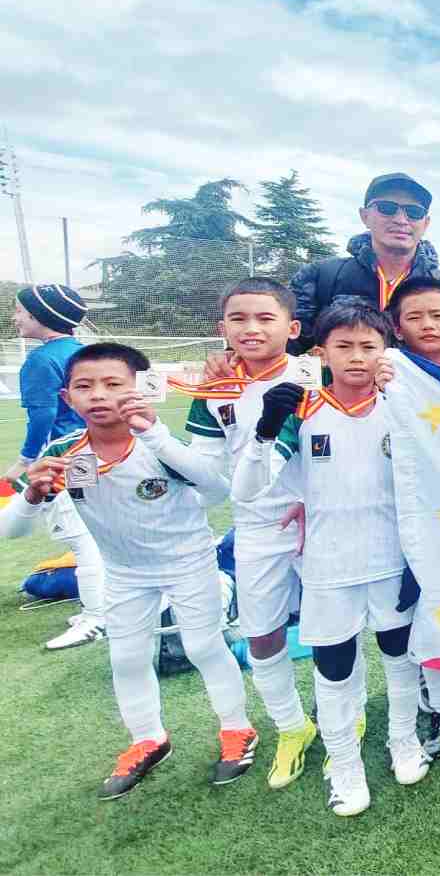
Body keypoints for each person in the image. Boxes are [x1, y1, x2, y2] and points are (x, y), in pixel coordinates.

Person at [0, 343, 255, 799]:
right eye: (85, 386)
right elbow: (11, 531)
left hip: (188, 561)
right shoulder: (64, 453)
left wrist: (156, 435)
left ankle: (238, 730)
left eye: (113, 384)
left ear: (140, 390)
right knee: (127, 657)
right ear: (67, 398)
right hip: (124, 573)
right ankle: (149, 739)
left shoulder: (156, 441)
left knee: (203, 646)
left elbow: (216, 490)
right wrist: (33, 495)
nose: (99, 395)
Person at [233, 302, 428, 817]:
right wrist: (263, 431)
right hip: (329, 568)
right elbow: (250, 490)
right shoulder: (299, 409)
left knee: (402, 659)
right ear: (321, 352)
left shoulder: (402, 406)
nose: (357, 357)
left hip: (392, 561)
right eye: (344, 346)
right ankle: (345, 767)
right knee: (336, 669)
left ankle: (403, 743)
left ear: (387, 351)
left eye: (369, 346)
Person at [174, 279, 320, 790]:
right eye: (239, 319)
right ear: (222, 329)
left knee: (333, 627)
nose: (252, 328)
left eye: (265, 318)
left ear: (292, 328)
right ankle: (291, 727)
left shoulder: (313, 378)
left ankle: (343, 718)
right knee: (261, 634)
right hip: (256, 526)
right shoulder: (213, 390)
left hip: (320, 520)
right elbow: (209, 475)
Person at [383, 275, 440, 756]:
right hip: (405, 514)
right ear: (397, 327)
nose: (427, 325)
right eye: (414, 317)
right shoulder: (386, 377)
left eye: (437, 315)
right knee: (418, 608)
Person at [5, 284, 107, 650]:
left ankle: (97, 617)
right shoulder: (85, 351)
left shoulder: (39, 360)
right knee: (92, 531)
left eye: (19, 311)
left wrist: (24, 462)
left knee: (81, 536)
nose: (15, 317)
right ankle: (97, 609)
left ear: (39, 317)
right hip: (96, 448)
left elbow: (44, 415)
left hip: (68, 455)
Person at [287, 172, 440, 354]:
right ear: (365, 216)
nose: (401, 220)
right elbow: (290, 346)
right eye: (387, 208)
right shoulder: (319, 276)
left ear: (426, 223)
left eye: (414, 212)